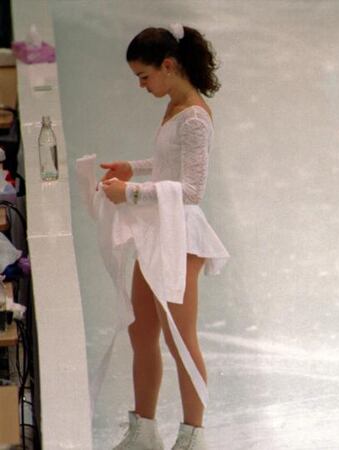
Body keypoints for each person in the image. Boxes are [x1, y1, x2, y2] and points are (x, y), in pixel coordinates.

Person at [99, 24, 229, 450]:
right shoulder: (174, 105)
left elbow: (192, 190)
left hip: (181, 236)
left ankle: (193, 435)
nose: (141, 85)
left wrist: (130, 193)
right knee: (141, 331)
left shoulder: (194, 117)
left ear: (168, 66)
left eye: (144, 76)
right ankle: (145, 431)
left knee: (179, 339)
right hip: (160, 229)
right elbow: (168, 164)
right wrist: (132, 169)